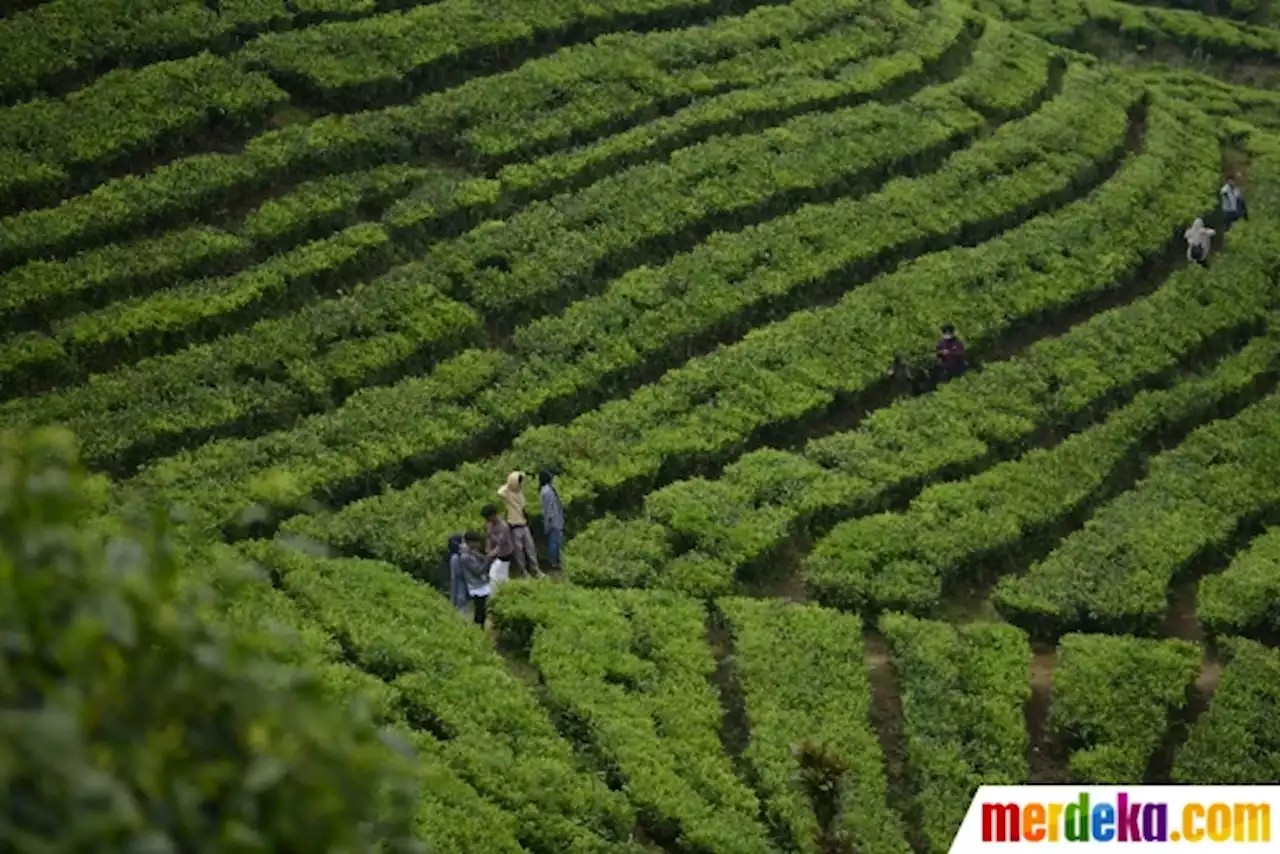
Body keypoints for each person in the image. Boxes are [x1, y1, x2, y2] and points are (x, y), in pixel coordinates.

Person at [497, 471, 543, 578]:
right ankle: (523, 572)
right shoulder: (508, 493)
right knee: (519, 552)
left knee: (530, 548)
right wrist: (508, 484)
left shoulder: (520, 493)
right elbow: (500, 492)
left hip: (524, 524)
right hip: (515, 527)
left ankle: (535, 570)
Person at [456, 531, 490, 626]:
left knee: (482, 609)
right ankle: (478, 628)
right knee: (480, 611)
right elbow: (478, 570)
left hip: (480, 584)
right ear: (470, 542)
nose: (479, 544)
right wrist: (488, 559)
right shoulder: (465, 556)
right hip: (476, 586)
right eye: (477, 542)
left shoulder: (472, 552)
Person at [481, 504, 515, 591]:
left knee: (494, 574)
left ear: (493, 515)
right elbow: (489, 539)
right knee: (502, 575)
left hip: (504, 553)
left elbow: (500, 545)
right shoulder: (490, 524)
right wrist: (488, 550)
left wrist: (489, 555)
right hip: (495, 553)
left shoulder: (504, 527)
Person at [539, 468, 565, 571]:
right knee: (554, 543)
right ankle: (553, 562)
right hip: (554, 521)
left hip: (556, 520)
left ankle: (555, 561)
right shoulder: (546, 491)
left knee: (556, 542)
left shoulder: (548, 489)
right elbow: (548, 510)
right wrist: (550, 523)